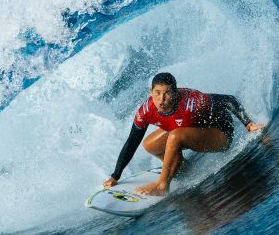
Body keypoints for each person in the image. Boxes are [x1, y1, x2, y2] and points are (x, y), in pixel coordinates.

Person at [103, 72, 265, 196]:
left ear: (175, 93)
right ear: (151, 91)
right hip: (189, 133)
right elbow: (131, 142)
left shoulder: (192, 102)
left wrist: (248, 124)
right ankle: (180, 165)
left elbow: (229, 100)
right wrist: (115, 176)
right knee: (149, 144)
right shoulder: (146, 110)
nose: (161, 99)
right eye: (157, 93)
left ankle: (162, 186)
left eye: (167, 93)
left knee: (175, 136)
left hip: (219, 133)